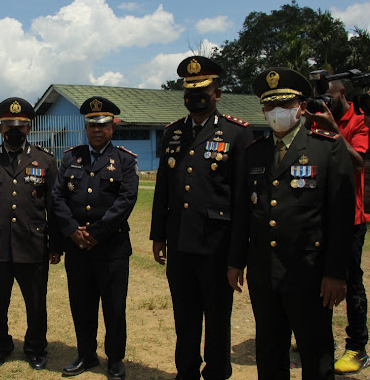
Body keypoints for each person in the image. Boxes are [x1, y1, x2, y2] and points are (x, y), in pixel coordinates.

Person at [229, 67, 355, 379]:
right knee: (270, 351)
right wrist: (235, 262)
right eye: (269, 107)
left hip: (309, 273)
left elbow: (341, 218)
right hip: (263, 271)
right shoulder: (255, 152)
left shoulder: (327, 147)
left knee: (316, 352)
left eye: (284, 105)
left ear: (300, 107)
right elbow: (244, 212)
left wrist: (336, 274)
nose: (276, 113)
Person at [149, 56, 252, 380]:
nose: (195, 95)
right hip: (180, 244)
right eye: (190, 90)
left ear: (217, 93)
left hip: (217, 246)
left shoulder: (237, 134)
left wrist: (237, 258)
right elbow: (163, 189)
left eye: (203, 89)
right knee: (185, 316)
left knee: (218, 317)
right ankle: (187, 372)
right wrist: (158, 235)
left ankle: (218, 372)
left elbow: (241, 202)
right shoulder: (173, 133)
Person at [52, 96, 139, 379]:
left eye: (102, 125)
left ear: (112, 127)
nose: (96, 130)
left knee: (114, 307)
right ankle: (86, 355)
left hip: (111, 248)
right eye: (91, 125)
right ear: (85, 127)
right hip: (78, 248)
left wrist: (96, 233)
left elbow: (125, 201)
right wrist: (72, 231)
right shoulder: (70, 158)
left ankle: (115, 359)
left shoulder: (125, 160)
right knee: (81, 304)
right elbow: (57, 198)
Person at [0, 97, 61, 370]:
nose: (15, 131)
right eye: (9, 126)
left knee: (36, 303)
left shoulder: (44, 160)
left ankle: (36, 348)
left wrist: (55, 245)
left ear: (29, 128)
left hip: (33, 244)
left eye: (21, 126)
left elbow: (54, 205)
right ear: (0, 127)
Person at [304, 79, 370, 373]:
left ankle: (357, 347)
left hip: (350, 217)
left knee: (350, 280)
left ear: (343, 93)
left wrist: (332, 128)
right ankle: (318, 339)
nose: (324, 101)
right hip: (318, 215)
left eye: (328, 96)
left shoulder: (360, 122)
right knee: (315, 278)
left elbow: (357, 163)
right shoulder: (316, 119)